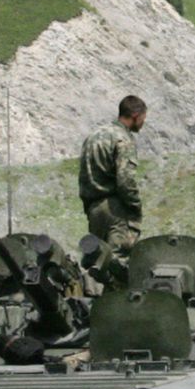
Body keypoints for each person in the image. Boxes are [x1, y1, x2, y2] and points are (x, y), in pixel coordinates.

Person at [77, 95, 146, 282]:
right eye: (143, 118)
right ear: (135, 115)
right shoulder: (123, 139)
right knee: (117, 266)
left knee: (98, 263)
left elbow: (83, 177)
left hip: (94, 209)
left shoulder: (93, 137)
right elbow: (126, 180)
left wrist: (89, 208)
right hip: (116, 210)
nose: (143, 122)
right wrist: (135, 206)